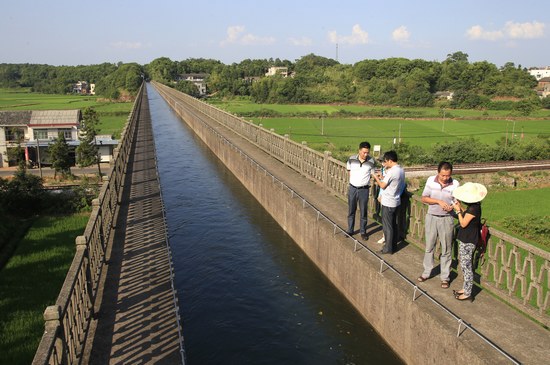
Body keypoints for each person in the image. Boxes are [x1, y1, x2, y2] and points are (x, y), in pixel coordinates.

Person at [417, 161, 459, 289]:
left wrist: (452, 206)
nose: (445, 178)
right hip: (432, 217)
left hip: (447, 218)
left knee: (446, 248)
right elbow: (424, 198)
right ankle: (426, 272)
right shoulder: (431, 181)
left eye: (448, 176)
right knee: (429, 245)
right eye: (443, 176)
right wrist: (438, 201)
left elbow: (457, 202)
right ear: (438, 173)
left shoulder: (455, 184)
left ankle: (445, 277)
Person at [452, 182, 487, 301]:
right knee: (464, 265)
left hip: (469, 240)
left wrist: (457, 211)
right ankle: (465, 288)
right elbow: (466, 214)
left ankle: (467, 293)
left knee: (466, 267)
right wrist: (460, 207)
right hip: (467, 238)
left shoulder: (473, 209)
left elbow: (463, 222)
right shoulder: (474, 207)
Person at [372, 150, 405, 254]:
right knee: (394, 225)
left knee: (387, 226)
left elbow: (382, 186)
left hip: (388, 202)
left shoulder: (391, 171)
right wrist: (383, 177)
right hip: (396, 201)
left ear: (390, 161)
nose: (385, 163)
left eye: (385, 161)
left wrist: (376, 177)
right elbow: (393, 182)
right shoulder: (401, 170)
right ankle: (393, 246)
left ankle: (388, 248)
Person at [346, 141, 375, 240]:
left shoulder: (371, 161)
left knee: (363, 212)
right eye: (364, 152)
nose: (365, 154)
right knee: (351, 210)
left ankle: (363, 232)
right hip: (353, 188)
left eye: (367, 152)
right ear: (359, 151)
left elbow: (373, 174)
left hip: (364, 190)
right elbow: (349, 171)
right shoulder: (351, 159)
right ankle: (350, 230)